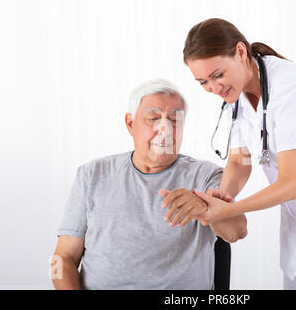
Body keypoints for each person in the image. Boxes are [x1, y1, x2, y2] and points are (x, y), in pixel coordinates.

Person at [161, 18, 296, 290]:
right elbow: (240, 162)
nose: (214, 88)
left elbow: (289, 184)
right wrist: (221, 195)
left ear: (240, 53)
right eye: (203, 82)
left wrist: (229, 209)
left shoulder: (295, 88)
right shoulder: (236, 94)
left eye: (218, 75)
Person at [51, 78, 247, 290]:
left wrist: (207, 209)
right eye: (153, 119)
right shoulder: (91, 175)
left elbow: (236, 231)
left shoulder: (205, 176)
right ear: (130, 124)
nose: (165, 130)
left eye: (174, 121)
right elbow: (61, 258)